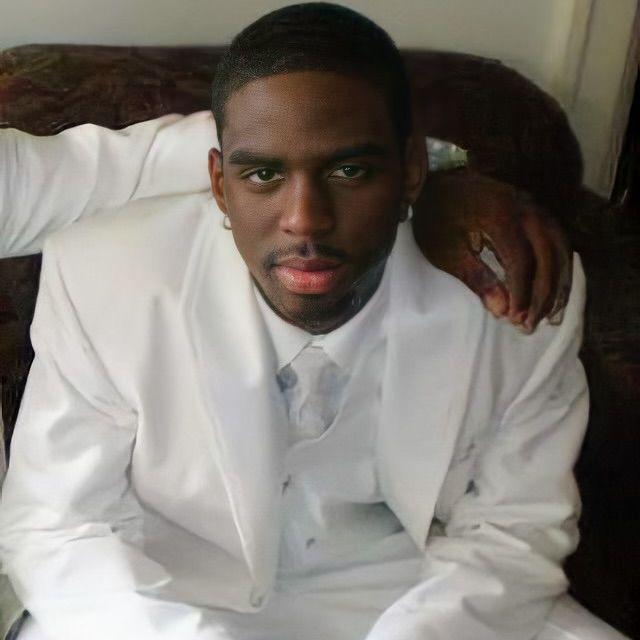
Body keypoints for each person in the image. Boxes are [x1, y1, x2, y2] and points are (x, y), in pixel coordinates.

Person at [0, 3, 626, 639]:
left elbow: (516, 527)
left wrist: (441, 172)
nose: (305, 220)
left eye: (351, 171)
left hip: (421, 593)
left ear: (408, 169)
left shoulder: (514, 284)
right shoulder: (102, 278)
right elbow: (59, 525)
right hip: (166, 593)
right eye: (263, 175)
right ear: (219, 184)